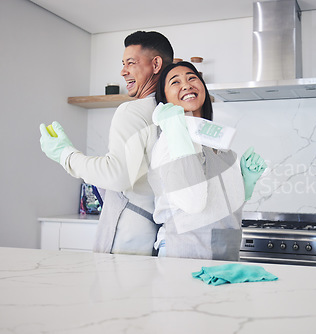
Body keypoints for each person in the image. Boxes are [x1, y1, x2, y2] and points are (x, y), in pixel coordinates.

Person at [39, 31, 174, 256]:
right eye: (123, 64)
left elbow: (117, 174)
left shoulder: (132, 111)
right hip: (157, 235)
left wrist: (66, 155)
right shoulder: (173, 115)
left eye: (131, 63)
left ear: (156, 64)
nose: (123, 71)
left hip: (128, 232)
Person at [148, 61, 266, 260]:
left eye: (192, 78)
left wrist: (246, 183)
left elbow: (223, 205)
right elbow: (192, 201)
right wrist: (176, 128)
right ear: (165, 99)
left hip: (225, 253)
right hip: (184, 252)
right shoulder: (169, 142)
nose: (186, 84)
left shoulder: (220, 145)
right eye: (175, 82)